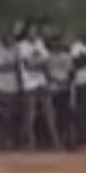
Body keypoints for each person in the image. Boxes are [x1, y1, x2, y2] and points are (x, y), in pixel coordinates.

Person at [17, 21, 61, 150]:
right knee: (30, 115)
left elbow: (47, 62)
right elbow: (28, 65)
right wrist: (39, 63)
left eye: (35, 31)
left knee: (49, 113)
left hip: (42, 82)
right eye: (31, 30)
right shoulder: (21, 46)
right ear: (26, 32)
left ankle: (56, 142)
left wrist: (39, 64)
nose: (33, 33)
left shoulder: (40, 43)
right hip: (29, 83)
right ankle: (31, 143)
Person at [47, 31, 76, 150]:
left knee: (66, 115)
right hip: (53, 89)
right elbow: (46, 73)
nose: (56, 44)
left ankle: (69, 140)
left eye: (58, 41)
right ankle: (57, 141)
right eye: (54, 42)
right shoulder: (48, 57)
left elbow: (71, 73)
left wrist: (66, 84)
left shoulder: (66, 56)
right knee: (55, 116)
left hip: (65, 89)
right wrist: (54, 81)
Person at [69, 33, 86, 147]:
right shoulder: (77, 46)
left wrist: (85, 59)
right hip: (79, 83)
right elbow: (76, 63)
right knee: (79, 112)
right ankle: (78, 139)